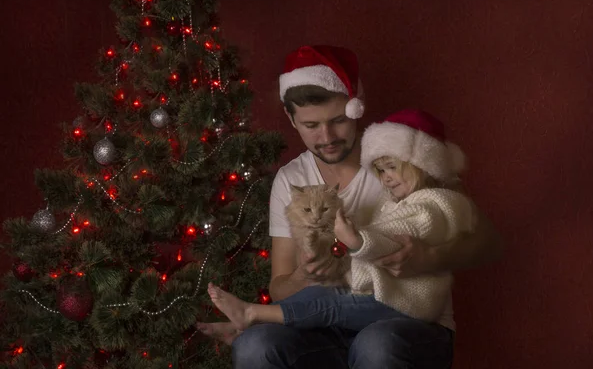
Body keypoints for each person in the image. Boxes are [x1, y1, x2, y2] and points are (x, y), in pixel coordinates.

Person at [197, 45, 502, 368]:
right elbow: (280, 288)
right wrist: (303, 275)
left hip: (405, 321)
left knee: (375, 345)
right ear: (291, 117)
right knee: (254, 344)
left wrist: (430, 256)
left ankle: (255, 317)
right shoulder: (292, 181)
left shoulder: (397, 158)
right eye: (311, 126)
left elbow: (483, 239)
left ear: (357, 108)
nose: (327, 136)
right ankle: (252, 320)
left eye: (338, 120)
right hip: (325, 328)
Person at [204, 108, 475, 336]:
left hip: (410, 303)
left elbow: (391, 239)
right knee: (322, 298)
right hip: (386, 293)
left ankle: (253, 313)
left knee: (330, 305)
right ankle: (252, 318)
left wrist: (354, 238)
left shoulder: (437, 204)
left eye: (393, 168)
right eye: (381, 170)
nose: (386, 178)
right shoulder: (394, 200)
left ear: (423, 165)